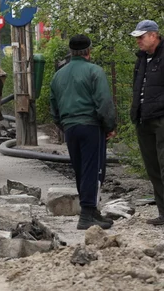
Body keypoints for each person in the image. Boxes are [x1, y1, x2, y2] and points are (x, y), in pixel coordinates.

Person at [50, 34, 117, 230]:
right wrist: (110, 126)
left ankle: (92, 211)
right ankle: (87, 214)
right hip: (90, 126)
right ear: (89, 50)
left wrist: (64, 124)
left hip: (70, 127)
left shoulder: (58, 75)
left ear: (71, 52)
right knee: (93, 169)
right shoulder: (94, 71)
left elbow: (53, 106)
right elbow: (104, 102)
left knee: (80, 170)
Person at [130, 20, 164, 228]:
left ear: (154, 35)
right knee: (153, 167)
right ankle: (163, 213)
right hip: (144, 119)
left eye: (141, 37)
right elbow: (138, 88)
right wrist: (135, 114)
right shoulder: (142, 58)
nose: (138, 41)